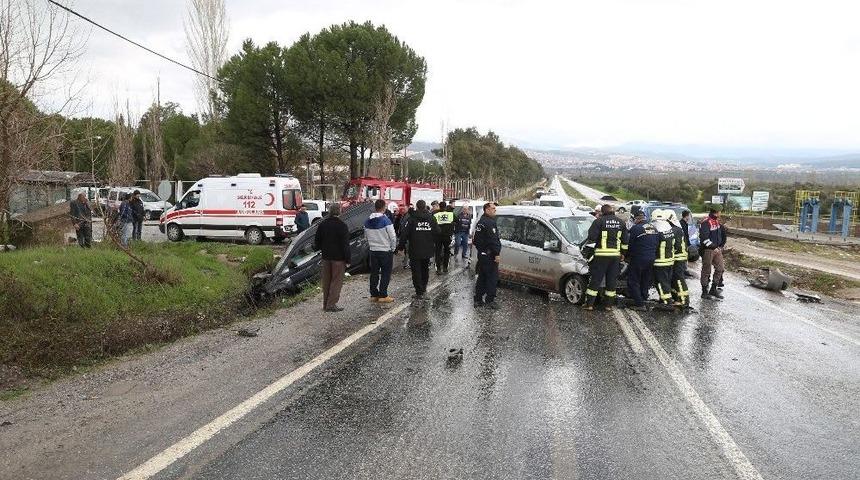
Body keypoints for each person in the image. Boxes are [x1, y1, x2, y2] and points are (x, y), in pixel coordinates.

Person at [582, 204, 628, 311]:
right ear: (613, 212)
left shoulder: (599, 221)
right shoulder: (621, 222)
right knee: (611, 281)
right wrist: (623, 253)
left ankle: (589, 304)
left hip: (601, 256)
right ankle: (608, 305)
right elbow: (625, 241)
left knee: (596, 280)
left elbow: (591, 237)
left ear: (602, 212)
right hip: (615, 257)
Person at [398, 200, 439, 298]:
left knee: (416, 271)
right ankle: (423, 289)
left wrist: (400, 247)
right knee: (425, 269)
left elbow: (404, 234)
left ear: (416, 207)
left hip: (415, 249)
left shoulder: (411, 218)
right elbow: (437, 231)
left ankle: (419, 292)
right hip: (427, 249)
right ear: (425, 207)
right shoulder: (431, 218)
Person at [314, 203, 351, 312]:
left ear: (330, 211)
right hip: (338, 258)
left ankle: (325, 304)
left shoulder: (323, 224)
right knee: (336, 281)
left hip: (326, 257)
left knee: (326, 281)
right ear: (339, 211)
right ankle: (331, 304)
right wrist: (348, 259)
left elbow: (317, 241)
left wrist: (322, 249)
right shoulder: (342, 225)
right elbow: (345, 244)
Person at [365, 199, 397, 303]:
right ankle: (383, 295)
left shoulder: (367, 221)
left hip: (373, 250)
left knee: (374, 273)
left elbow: (365, 236)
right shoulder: (386, 220)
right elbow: (392, 237)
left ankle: (374, 294)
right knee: (385, 273)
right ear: (383, 207)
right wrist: (393, 248)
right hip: (385, 250)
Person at [625, 209, 657, 311]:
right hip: (651, 257)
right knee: (645, 279)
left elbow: (630, 244)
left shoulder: (636, 228)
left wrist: (626, 256)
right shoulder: (653, 227)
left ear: (636, 219)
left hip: (639, 258)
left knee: (633, 280)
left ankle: (639, 304)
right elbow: (657, 241)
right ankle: (643, 298)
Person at [473, 202, 502, 309]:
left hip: (482, 254)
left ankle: (478, 299)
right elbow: (493, 240)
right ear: (487, 210)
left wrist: (482, 250)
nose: (495, 210)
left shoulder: (481, 222)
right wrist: (496, 253)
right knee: (492, 278)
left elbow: (475, 240)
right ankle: (489, 300)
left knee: (482, 277)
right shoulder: (489, 223)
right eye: (493, 208)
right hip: (489, 255)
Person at [651, 209, 676, 306]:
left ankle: (666, 302)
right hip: (670, 260)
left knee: (660, 282)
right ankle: (664, 299)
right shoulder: (668, 227)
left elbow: (652, 243)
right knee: (666, 281)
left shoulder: (655, 227)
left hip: (660, 261)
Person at [699, 208, 725, 299]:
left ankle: (713, 289)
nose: (720, 213)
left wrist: (720, 246)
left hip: (717, 250)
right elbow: (704, 239)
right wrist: (714, 247)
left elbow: (720, 236)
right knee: (706, 270)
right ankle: (704, 291)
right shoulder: (706, 222)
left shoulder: (716, 222)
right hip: (708, 250)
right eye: (720, 211)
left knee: (720, 268)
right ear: (716, 212)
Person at [667, 211, 690, 309]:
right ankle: (676, 297)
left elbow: (673, 245)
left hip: (678, 258)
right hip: (677, 257)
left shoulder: (674, 230)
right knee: (673, 279)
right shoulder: (677, 229)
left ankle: (684, 300)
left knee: (679, 278)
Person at [433, 201, 455, 274]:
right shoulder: (451, 214)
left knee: (437, 252)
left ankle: (438, 269)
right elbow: (457, 221)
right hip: (447, 236)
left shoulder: (435, 214)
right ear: (445, 206)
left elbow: (431, 223)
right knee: (447, 252)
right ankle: (445, 268)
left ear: (439, 206)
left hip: (437, 236)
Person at [399, 205, 415, 270]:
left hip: (407, 236)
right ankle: (406, 263)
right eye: (402, 209)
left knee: (408, 250)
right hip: (404, 235)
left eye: (404, 209)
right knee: (407, 250)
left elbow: (405, 227)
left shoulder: (408, 216)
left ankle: (406, 263)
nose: (403, 210)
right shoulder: (404, 216)